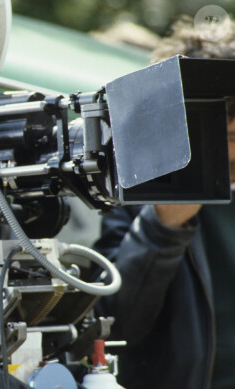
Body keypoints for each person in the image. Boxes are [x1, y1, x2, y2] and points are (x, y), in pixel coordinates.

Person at [92, 15, 235, 389]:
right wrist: (161, 230)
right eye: (227, 134)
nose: (231, 149)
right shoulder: (140, 192)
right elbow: (112, 328)